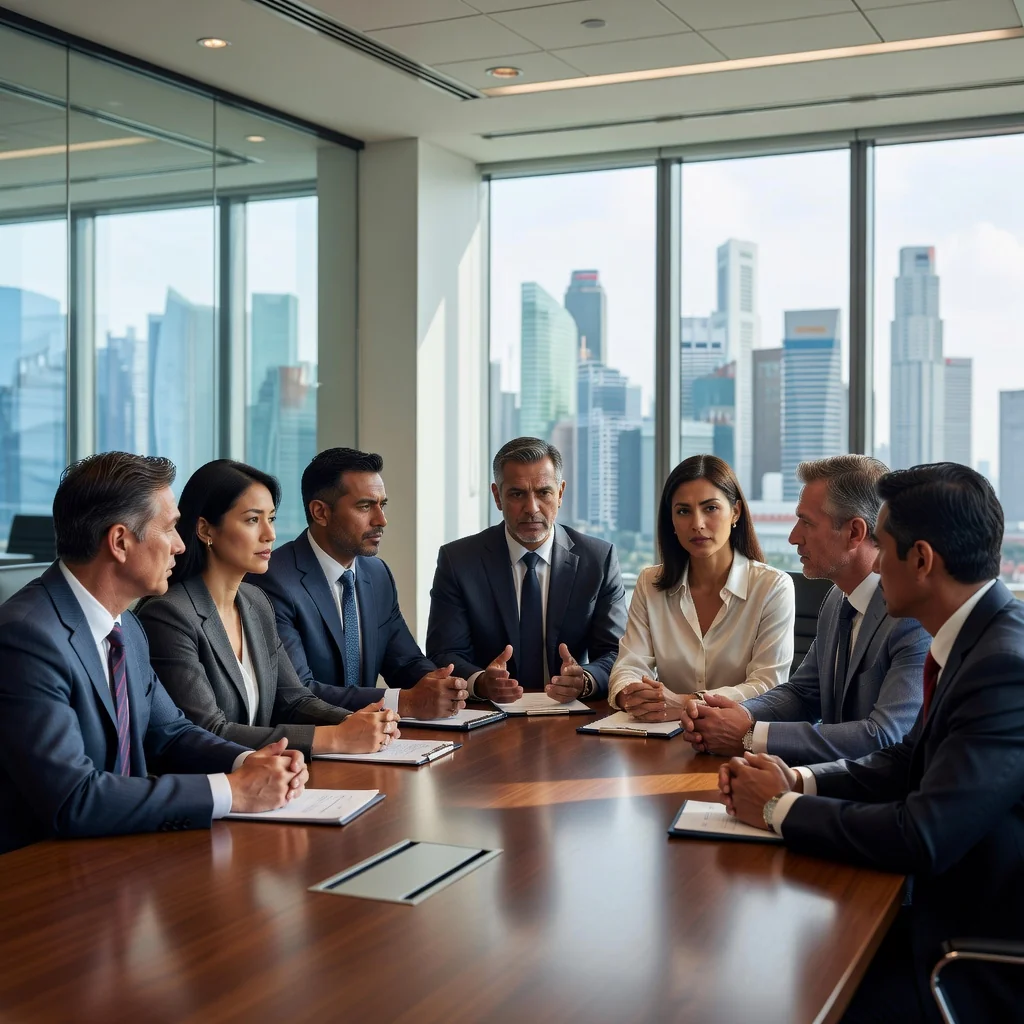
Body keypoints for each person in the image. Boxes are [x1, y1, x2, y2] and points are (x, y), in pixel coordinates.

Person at [719, 463, 1024, 1022]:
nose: (876, 565)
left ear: (923, 560)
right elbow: (909, 759)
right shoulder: (974, 636)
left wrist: (778, 808)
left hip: (966, 958)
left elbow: (923, 834)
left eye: (882, 546)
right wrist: (799, 780)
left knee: (774, 990)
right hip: (938, 918)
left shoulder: (1003, 664)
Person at [0, 453, 307, 856]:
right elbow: (74, 798)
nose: (181, 546)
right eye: (170, 529)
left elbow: (170, 733)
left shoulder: (126, 628)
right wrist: (232, 791)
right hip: (42, 876)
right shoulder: (27, 636)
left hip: (122, 858)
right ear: (120, 542)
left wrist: (250, 762)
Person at [138, 460, 400, 761]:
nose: (270, 535)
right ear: (205, 529)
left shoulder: (255, 602)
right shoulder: (169, 615)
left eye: (271, 519)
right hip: (216, 789)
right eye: (252, 520)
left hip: (271, 780)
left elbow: (293, 698)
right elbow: (209, 731)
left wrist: (352, 721)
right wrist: (334, 737)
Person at [681, 455, 928, 764]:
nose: (793, 537)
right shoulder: (837, 599)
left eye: (807, 523)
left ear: (854, 532)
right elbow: (803, 694)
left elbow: (884, 736)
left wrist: (749, 735)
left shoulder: (911, 617)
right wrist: (734, 715)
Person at [251, 448, 467, 719]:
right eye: (365, 506)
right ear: (320, 512)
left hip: (374, 740)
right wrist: (405, 701)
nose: (381, 520)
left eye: (382, 505)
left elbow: (405, 662)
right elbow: (299, 691)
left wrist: (443, 684)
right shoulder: (273, 580)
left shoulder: (377, 574)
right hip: (308, 747)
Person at [426, 437, 627, 703]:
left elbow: (617, 653)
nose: (531, 508)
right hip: (490, 716)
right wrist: (481, 682)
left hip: (572, 716)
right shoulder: (459, 561)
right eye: (517, 494)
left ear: (560, 493)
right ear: (498, 496)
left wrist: (585, 680)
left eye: (543, 492)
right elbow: (445, 653)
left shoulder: (597, 559)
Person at [608, 454, 794, 721]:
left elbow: (768, 685)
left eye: (710, 508)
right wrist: (632, 694)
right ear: (671, 521)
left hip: (738, 740)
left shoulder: (772, 587)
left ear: (736, 512)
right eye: (683, 511)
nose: (697, 523)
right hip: (661, 735)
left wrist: (687, 703)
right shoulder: (650, 583)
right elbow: (629, 665)